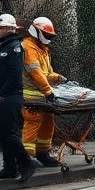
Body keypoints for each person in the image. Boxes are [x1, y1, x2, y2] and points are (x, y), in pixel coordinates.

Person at [0, 13, 36, 183]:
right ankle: (9, 167)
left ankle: (27, 164)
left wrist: (3, 92)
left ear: (9, 29)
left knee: (10, 133)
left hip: (9, 97)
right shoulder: (0, 46)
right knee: (2, 133)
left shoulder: (14, 47)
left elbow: (15, 73)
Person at [21, 16, 67, 168]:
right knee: (33, 123)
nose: (48, 38)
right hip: (32, 96)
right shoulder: (27, 47)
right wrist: (48, 90)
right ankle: (26, 157)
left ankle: (43, 153)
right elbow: (35, 73)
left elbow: (46, 73)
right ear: (36, 31)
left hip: (44, 96)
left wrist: (57, 77)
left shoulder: (43, 49)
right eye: (46, 34)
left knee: (48, 123)